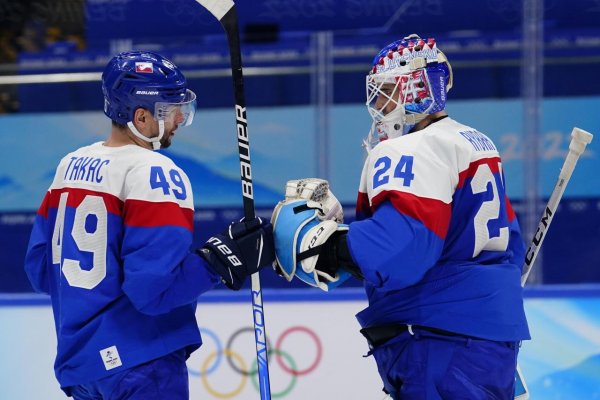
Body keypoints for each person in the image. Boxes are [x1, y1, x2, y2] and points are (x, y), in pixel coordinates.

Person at [271, 35, 529, 399]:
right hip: (489, 343)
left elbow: (403, 250)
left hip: (441, 340)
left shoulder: (410, 148)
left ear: (415, 89)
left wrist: (325, 245)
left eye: (385, 91)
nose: (377, 104)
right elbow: (509, 246)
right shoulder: (475, 141)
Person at [24, 50, 274, 400]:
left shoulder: (70, 165)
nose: (178, 119)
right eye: (168, 110)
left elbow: (39, 271)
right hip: (140, 364)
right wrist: (223, 259)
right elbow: (152, 293)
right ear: (140, 117)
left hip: (82, 370)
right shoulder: (154, 171)